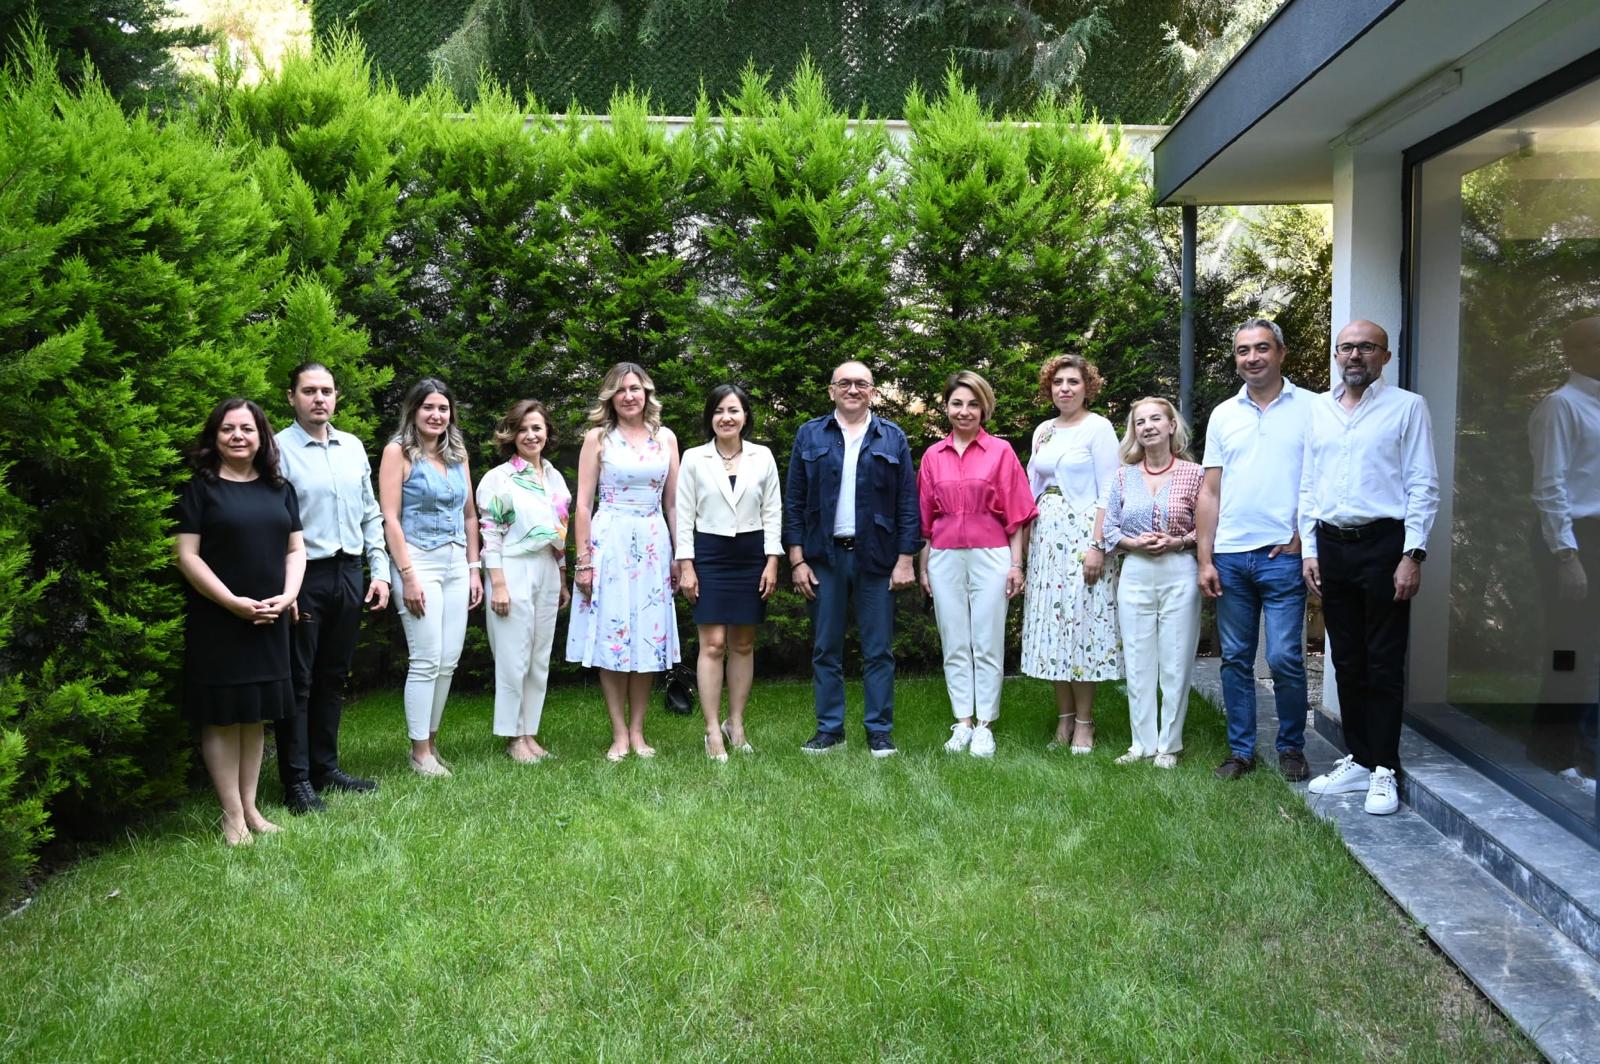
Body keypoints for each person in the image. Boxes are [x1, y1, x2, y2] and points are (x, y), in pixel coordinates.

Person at [1301, 320, 1439, 816]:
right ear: (1337, 354)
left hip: (1385, 545)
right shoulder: (1319, 409)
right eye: (1347, 347)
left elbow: (1423, 483)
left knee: (1383, 661)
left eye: (1366, 347)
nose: (1355, 355)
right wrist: (1309, 549)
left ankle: (1385, 768)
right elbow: (1308, 482)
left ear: (1385, 356)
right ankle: (1360, 759)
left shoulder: (1407, 407)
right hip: (1332, 546)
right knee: (1346, 660)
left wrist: (1412, 554)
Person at [173, 398, 306, 845]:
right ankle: (231, 816)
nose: (238, 436)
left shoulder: (279, 488)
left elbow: (296, 549)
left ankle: (251, 809)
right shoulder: (199, 489)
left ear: (261, 437)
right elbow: (186, 556)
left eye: (247, 429)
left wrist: (289, 595)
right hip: (219, 620)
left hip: (269, 619)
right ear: (215, 436)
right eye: (228, 429)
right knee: (224, 718)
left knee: (254, 716)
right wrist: (231, 602)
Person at [1195, 320, 1312, 783]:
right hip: (1230, 557)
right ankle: (1241, 751)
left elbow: (1324, 478)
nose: (1252, 357)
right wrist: (1205, 558)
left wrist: (1303, 536)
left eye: (1262, 348)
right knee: (1236, 660)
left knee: (1284, 658)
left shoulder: (1313, 408)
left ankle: (1291, 747)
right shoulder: (1224, 414)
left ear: (1281, 353)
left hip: (1283, 555)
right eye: (1243, 350)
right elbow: (1210, 491)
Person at [784, 360, 920, 757]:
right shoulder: (810, 434)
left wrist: (905, 558)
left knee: (878, 650)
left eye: (861, 383)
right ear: (832, 390)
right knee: (826, 648)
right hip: (823, 558)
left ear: (873, 392)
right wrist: (797, 559)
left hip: (876, 558)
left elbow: (907, 503)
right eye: (844, 383)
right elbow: (794, 501)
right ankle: (830, 730)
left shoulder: (892, 437)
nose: (853, 389)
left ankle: (879, 731)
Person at [273, 363, 389, 816]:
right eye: (309, 391)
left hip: (348, 571)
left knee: (333, 675)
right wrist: (285, 588)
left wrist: (379, 571)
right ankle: (296, 781)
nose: (319, 398)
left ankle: (325, 768)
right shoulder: (278, 450)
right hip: (305, 575)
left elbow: (370, 512)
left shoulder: (352, 447)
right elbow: (273, 523)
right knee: (299, 680)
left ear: (336, 396)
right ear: (291, 397)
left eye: (326, 391)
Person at [917, 371, 1037, 757]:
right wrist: (924, 567)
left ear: (984, 408)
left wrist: (1016, 565)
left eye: (973, 404)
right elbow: (926, 521)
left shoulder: (1000, 452)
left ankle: (985, 724)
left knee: (986, 641)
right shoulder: (933, 456)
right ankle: (963, 722)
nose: (964, 411)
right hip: (944, 557)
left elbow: (1018, 515)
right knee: (954, 641)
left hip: (992, 555)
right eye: (957, 403)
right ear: (946, 407)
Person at [566, 362, 681, 761]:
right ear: (610, 397)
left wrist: (680, 555)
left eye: (635, 389)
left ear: (646, 393)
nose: (629, 396)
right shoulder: (598, 438)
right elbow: (583, 504)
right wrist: (584, 561)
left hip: (653, 542)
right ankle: (618, 733)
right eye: (621, 390)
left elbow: (673, 503)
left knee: (648, 637)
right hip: (610, 542)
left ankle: (638, 732)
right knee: (613, 637)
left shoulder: (665, 438)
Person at [379, 378, 483, 778]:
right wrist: (407, 576)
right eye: (428, 408)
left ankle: (432, 743)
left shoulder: (457, 455)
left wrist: (473, 569)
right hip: (417, 562)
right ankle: (419, 751)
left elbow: (470, 516)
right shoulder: (398, 452)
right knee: (426, 658)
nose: (436, 415)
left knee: (448, 659)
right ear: (413, 410)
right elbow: (390, 518)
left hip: (456, 563)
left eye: (443, 408)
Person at [1020, 353, 1123, 754]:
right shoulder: (1043, 430)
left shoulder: (1098, 428)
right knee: (1054, 630)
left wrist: (1097, 546)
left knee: (1081, 628)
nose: (1065, 388)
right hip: (1047, 540)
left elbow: (1109, 491)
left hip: (1083, 539)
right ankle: (1063, 719)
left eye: (1073, 382)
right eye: (1058, 382)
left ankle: (1084, 722)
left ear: (1087, 387)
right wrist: (1024, 543)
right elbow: (1031, 486)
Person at [676, 384, 782, 761]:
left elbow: (773, 511)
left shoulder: (762, 456)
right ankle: (711, 730)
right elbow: (683, 516)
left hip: (751, 554)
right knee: (713, 643)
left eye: (733, 410)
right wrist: (686, 566)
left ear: (745, 416)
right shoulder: (694, 458)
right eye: (719, 411)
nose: (726, 417)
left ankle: (735, 723)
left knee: (742, 644)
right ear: (710, 417)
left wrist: (772, 560)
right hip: (709, 554)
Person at [1102, 397, 1204, 769]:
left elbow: (1208, 526)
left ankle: (1169, 746)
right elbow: (1108, 528)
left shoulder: (1195, 474)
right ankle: (1141, 743)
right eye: (1140, 422)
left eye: (1156, 419)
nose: (1148, 426)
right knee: (1138, 660)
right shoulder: (1122, 477)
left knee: (1175, 661)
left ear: (1172, 425)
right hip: (1136, 571)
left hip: (1179, 570)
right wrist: (1132, 543)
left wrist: (1180, 541)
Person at [1527, 316, 1600, 800]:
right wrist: (1566, 555)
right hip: (1576, 538)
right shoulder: (1562, 406)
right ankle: (1556, 755)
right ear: (1574, 351)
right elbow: (1549, 485)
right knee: (1571, 652)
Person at [478, 399, 571, 763]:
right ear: (511, 435)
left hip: (547, 568)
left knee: (538, 656)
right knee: (513, 656)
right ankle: (513, 736)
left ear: (547, 432)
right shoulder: (498, 478)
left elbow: (559, 532)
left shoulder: (554, 476)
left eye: (537, 428)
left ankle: (529, 732)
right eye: (523, 429)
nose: (531, 435)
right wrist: (498, 584)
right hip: (512, 568)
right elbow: (491, 534)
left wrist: (562, 576)